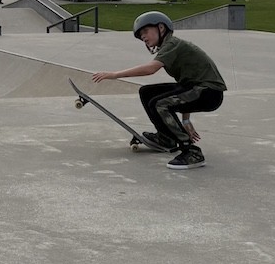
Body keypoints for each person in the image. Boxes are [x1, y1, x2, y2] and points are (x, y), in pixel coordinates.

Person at [90, 11, 226, 170]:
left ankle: (192, 151)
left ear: (161, 28)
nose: (144, 38)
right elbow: (184, 87)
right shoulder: (170, 47)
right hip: (198, 89)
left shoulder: (172, 44)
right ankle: (166, 138)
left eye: (146, 31)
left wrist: (114, 75)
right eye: (141, 36)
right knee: (147, 93)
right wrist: (186, 120)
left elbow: (150, 69)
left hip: (209, 92)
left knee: (159, 104)